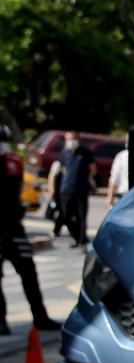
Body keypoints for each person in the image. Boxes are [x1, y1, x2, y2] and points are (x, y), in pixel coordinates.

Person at [1, 125, 61, 335]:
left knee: (28, 273)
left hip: (12, 228)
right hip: (12, 227)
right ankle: (34, 318)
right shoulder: (13, 163)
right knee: (28, 274)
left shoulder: (12, 163)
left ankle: (39, 317)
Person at [50, 131, 96, 248]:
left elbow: (93, 169)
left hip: (81, 189)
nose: (71, 141)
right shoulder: (64, 153)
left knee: (81, 216)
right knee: (65, 216)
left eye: (73, 138)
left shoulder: (86, 153)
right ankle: (77, 236)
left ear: (78, 139)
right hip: (66, 189)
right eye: (68, 139)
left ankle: (81, 240)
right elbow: (63, 168)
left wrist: (85, 178)